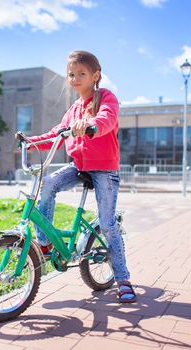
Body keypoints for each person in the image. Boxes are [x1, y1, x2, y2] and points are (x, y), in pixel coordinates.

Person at [17, 50, 136, 303]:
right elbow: (56, 134)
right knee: (47, 184)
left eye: (81, 73)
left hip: (104, 169)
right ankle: (46, 243)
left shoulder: (105, 97)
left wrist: (91, 125)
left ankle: (123, 279)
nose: (75, 78)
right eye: (71, 74)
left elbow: (107, 119)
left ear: (96, 76)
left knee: (107, 223)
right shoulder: (73, 109)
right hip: (80, 167)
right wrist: (31, 142)